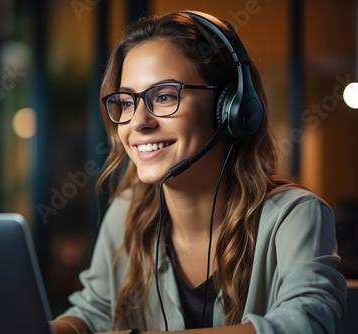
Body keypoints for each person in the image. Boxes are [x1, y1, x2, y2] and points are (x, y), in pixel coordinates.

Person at [50, 10, 347, 334]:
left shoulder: (294, 217)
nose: (137, 122)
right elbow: (93, 312)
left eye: (164, 97)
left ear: (230, 108)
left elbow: (306, 324)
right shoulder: (127, 213)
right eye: (126, 101)